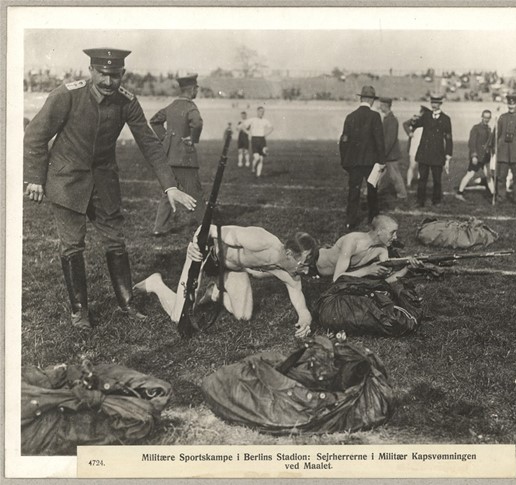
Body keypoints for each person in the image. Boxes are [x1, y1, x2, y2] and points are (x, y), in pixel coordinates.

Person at [23, 48, 197, 329]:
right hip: (66, 180)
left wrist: (170, 187)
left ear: (122, 75)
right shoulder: (66, 94)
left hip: (104, 183)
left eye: (114, 75)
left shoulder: (127, 101)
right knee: (72, 245)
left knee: (116, 241)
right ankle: (80, 313)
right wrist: (34, 177)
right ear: (91, 70)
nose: (107, 81)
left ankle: (127, 305)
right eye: (102, 74)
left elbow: (149, 144)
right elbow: (35, 135)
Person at [134, 225, 318, 338]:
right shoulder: (261, 240)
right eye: (303, 262)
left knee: (243, 316)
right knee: (178, 316)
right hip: (207, 256)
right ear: (288, 254)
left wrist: (305, 318)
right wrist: (194, 247)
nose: (306, 269)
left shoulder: (288, 271)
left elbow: (297, 295)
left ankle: (214, 292)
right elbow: (209, 229)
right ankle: (155, 284)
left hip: (233, 269)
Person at [150, 73, 204, 236]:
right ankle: (205, 227)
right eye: (196, 89)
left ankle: (159, 228)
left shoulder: (171, 106)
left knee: (168, 191)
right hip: (185, 158)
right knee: (195, 192)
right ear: (192, 89)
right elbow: (198, 123)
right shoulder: (190, 107)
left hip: (169, 156)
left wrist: (165, 137)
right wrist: (193, 139)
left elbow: (154, 120)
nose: (197, 92)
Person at [339, 85, 385, 230]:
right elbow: (379, 141)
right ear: (371, 100)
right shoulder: (375, 116)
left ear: (361, 98)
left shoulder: (350, 116)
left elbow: (344, 141)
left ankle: (350, 221)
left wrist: (345, 160)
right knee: (372, 191)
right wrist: (382, 161)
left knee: (353, 191)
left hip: (354, 162)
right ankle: (373, 219)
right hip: (371, 162)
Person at [410, 94, 453, 207]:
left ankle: (437, 200)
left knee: (437, 179)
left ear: (440, 104)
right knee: (422, 178)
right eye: (432, 103)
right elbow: (415, 124)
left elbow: (448, 138)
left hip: (437, 154)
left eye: (436, 103)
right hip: (424, 152)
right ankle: (420, 201)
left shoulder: (446, 119)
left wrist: (448, 153)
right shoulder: (426, 116)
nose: (434, 105)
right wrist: (414, 120)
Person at [490, 93, 516, 204]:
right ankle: (500, 197)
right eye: (509, 106)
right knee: (501, 177)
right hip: (503, 152)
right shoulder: (502, 118)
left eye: (513, 106)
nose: (511, 108)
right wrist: (491, 147)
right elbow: (496, 134)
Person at [455, 110, 494, 201]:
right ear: (482, 117)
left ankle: (493, 195)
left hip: (486, 157)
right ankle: (459, 192)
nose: (486, 119)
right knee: (470, 174)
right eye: (485, 117)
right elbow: (472, 143)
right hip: (477, 157)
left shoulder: (489, 129)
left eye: (488, 118)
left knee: (488, 175)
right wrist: (474, 155)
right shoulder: (476, 128)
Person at [377, 97, 407, 200]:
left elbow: (390, 139)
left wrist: (383, 153)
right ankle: (372, 190)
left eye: (381, 105)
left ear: (385, 106)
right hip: (387, 153)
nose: (379, 107)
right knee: (378, 172)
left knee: (395, 176)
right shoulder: (387, 118)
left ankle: (402, 194)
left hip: (390, 154)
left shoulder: (392, 120)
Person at [402, 106, 427, 187]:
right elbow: (405, 124)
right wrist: (409, 132)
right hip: (414, 145)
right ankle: (409, 183)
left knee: (422, 166)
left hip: (423, 146)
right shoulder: (416, 119)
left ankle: (420, 183)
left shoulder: (428, 121)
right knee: (412, 165)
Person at [246, 106, 273, 177]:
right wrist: (248, 133)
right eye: (261, 111)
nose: (262, 113)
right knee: (257, 157)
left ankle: (258, 175)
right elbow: (243, 126)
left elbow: (271, 128)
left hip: (262, 140)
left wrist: (265, 134)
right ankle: (253, 167)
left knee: (261, 159)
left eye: (263, 111)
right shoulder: (252, 120)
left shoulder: (265, 120)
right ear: (257, 112)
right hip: (254, 139)